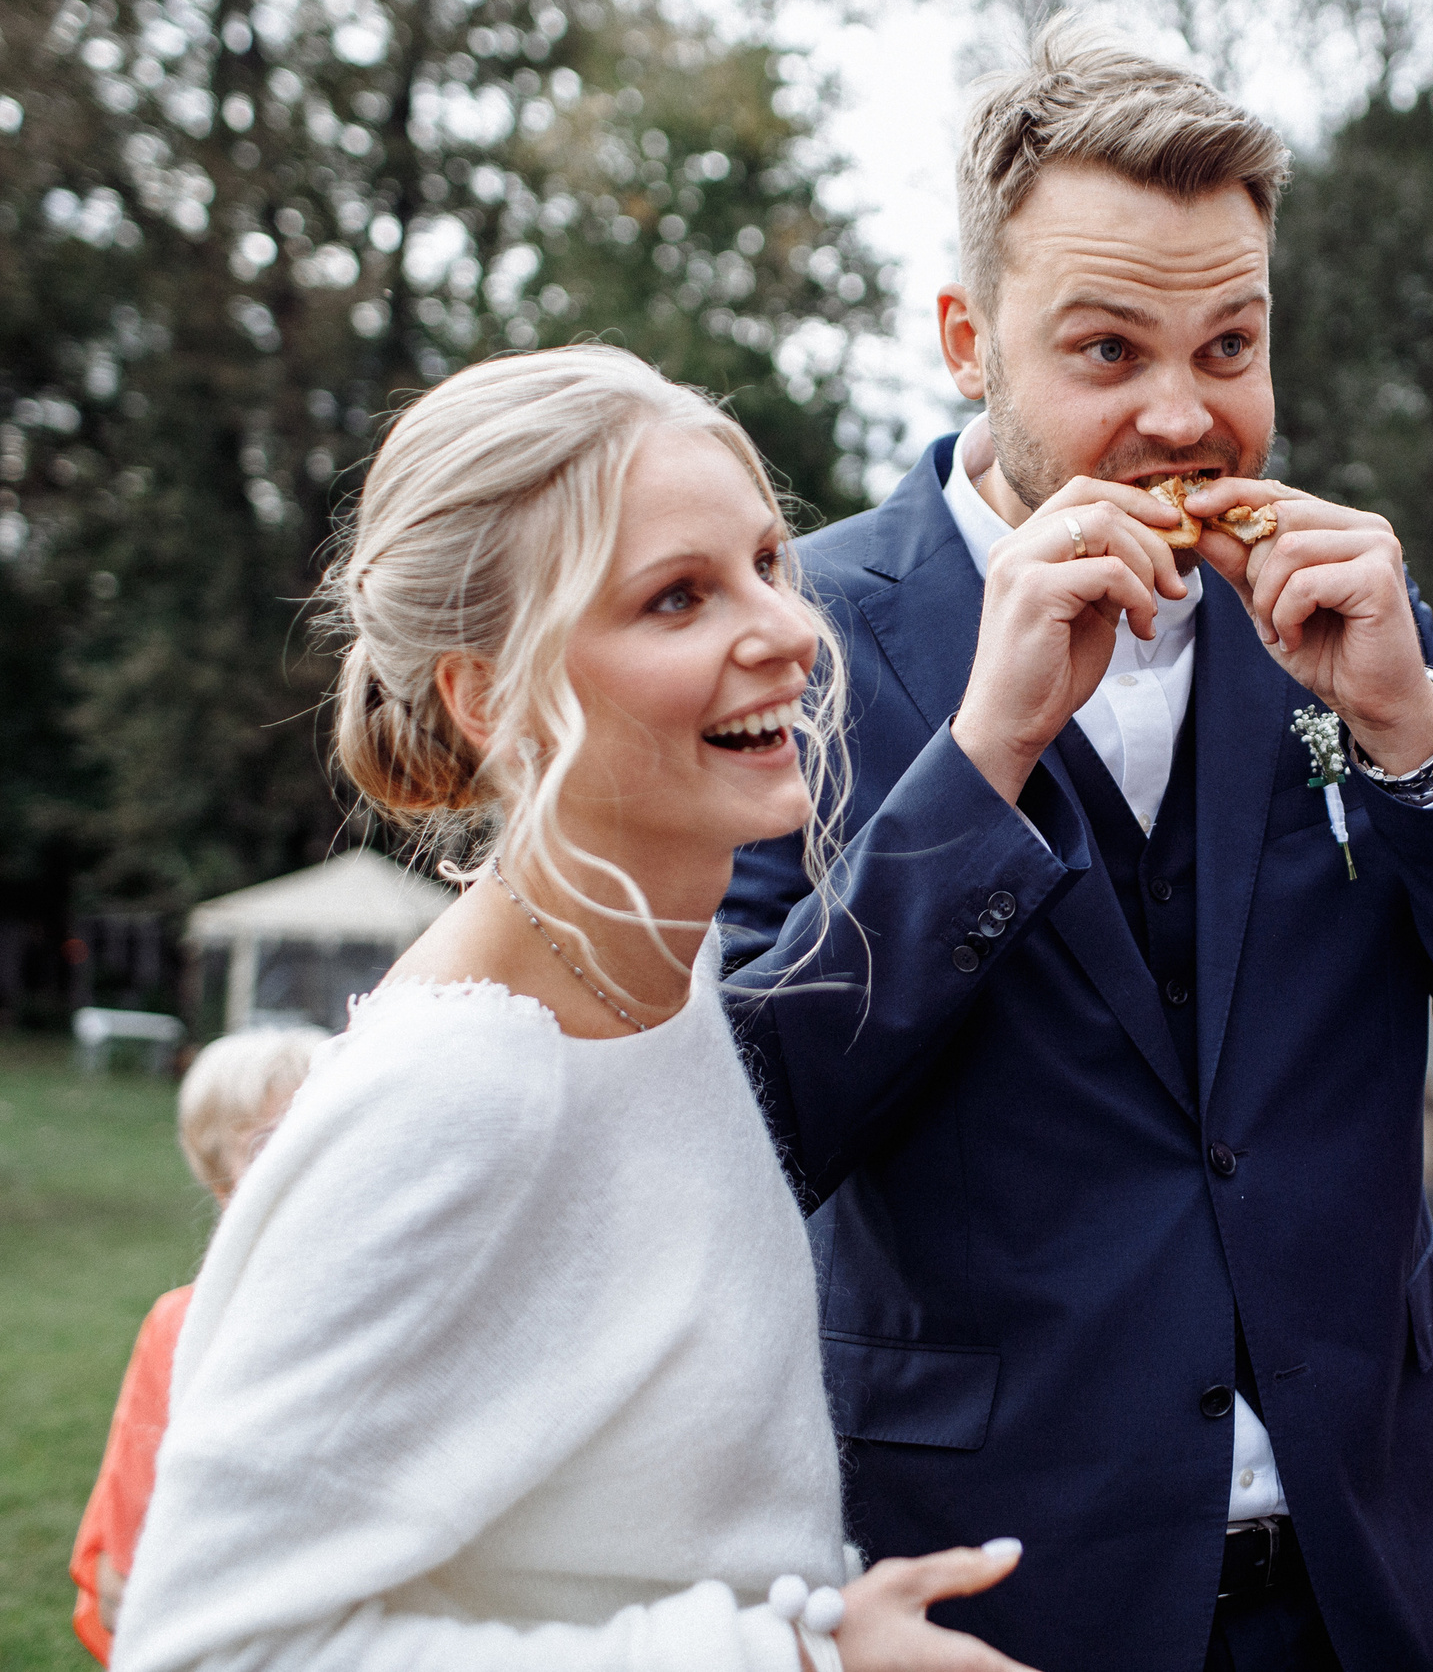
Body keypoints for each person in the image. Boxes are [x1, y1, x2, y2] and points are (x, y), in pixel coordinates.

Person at [721, 15, 1433, 1672]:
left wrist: (1416, 733)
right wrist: (983, 759)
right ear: (968, 339)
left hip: (1384, 1579)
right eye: (1107, 350)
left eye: (1230, 346)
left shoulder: (1355, 607)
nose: (1182, 415)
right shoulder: (797, 637)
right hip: (1001, 1590)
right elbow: (743, 1127)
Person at [109, 345, 1027, 1672]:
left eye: (767, 562)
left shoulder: (661, 980)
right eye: (676, 597)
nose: (787, 630)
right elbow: (209, 1647)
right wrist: (790, 1660)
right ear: (488, 698)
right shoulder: (456, 1091)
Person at [70, 1025, 324, 1663]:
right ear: (220, 1180)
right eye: (268, 1144)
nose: (301, 1162)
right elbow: (124, 1577)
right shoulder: (183, 1325)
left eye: (322, 1134)